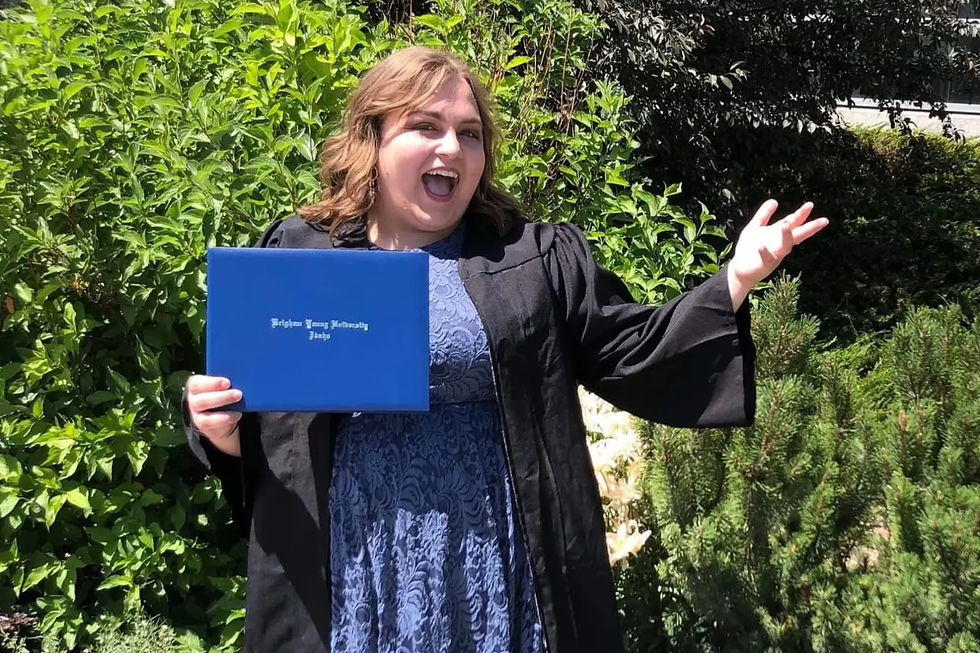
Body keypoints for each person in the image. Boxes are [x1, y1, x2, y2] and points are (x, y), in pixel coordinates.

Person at [182, 46, 828, 653]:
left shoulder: (529, 258)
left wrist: (736, 277)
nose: (452, 148)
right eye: (426, 127)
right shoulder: (299, 256)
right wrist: (219, 427)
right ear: (373, 138)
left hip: (500, 553)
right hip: (356, 566)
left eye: (469, 133)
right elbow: (260, 420)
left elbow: (634, 347)